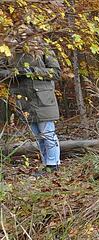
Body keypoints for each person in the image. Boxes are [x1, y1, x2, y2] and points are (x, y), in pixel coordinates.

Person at [0, 37, 62, 174]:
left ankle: (53, 164)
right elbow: (1, 72)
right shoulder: (9, 52)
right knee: (37, 135)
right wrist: (15, 73)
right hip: (23, 99)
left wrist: (32, 71)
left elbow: (56, 73)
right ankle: (47, 164)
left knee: (47, 133)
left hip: (43, 97)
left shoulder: (44, 49)